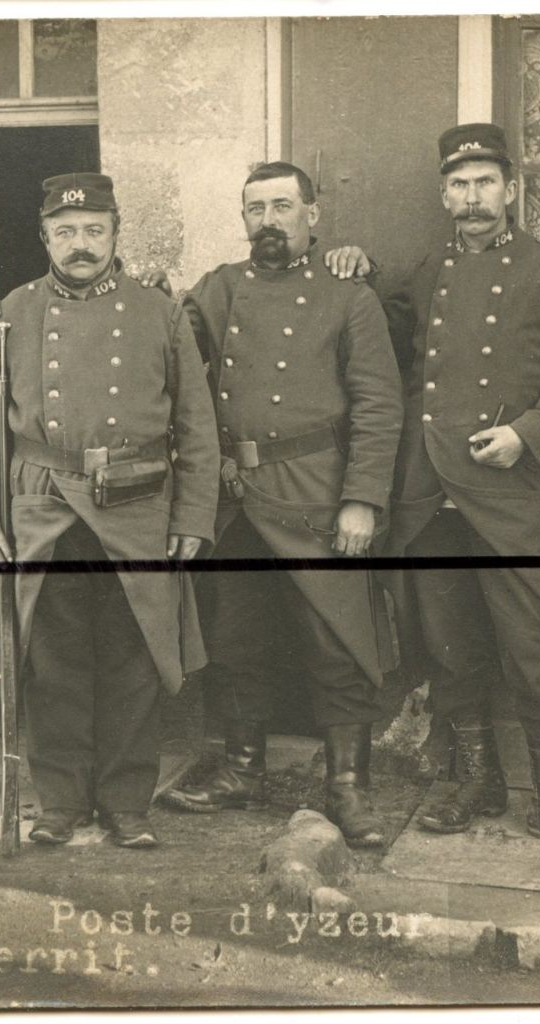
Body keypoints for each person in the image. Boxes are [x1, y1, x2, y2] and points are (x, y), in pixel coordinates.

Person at [0, 173, 219, 848]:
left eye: (93, 231)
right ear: (44, 237)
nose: (80, 245)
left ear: (115, 234)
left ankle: (126, 804)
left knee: (133, 662)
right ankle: (61, 801)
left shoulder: (160, 312)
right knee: (54, 662)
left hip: (135, 506)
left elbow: (196, 423)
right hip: (44, 509)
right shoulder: (10, 309)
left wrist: (191, 518)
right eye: (65, 232)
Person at [382, 123, 540, 860]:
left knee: (536, 647)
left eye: (486, 182)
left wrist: (524, 433)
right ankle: (476, 782)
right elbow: (379, 353)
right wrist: (348, 268)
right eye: (459, 184)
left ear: (511, 189)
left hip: (510, 487)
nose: (472, 197)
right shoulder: (422, 274)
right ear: (442, 194)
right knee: (450, 646)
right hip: (431, 495)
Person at [159, 162, 404, 849]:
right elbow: (174, 344)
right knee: (235, 637)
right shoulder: (220, 288)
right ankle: (241, 768)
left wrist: (360, 500)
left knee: (337, 640)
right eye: (255, 209)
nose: (268, 221)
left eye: (282, 207)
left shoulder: (348, 298)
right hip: (236, 496)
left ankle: (347, 786)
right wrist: (147, 291)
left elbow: (380, 407)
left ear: (313, 216)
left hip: (316, 494)